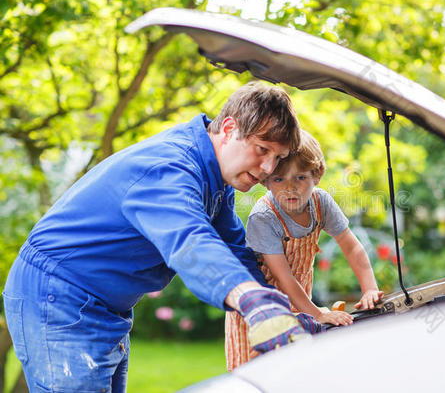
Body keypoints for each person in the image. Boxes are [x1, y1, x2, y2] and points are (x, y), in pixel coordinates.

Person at [2, 81, 313, 393]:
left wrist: (284, 311)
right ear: (230, 128)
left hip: (102, 303)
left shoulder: (214, 177)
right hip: (60, 296)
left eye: (278, 156)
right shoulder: (169, 168)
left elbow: (233, 248)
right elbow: (191, 242)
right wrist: (250, 300)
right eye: (262, 150)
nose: (268, 167)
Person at [225, 129, 384, 370]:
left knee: (296, 371)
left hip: (300, 302)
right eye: (279, 179)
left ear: (317, 175)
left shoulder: (321, 203)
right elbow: (283, 277)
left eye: (300, 177)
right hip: (261, 308)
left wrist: (369, 289)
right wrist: (317, 314)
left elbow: (351, 247)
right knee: (259, 371)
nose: (290, 188)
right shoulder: (264, 217)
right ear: (266, 181)